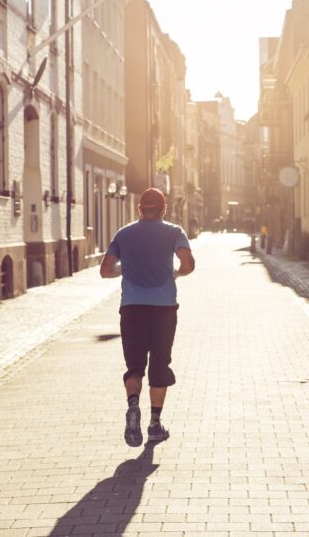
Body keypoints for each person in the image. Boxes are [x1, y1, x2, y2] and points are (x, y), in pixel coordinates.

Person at [100, 187, 195, 447]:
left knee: (135, 366)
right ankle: (154, 424)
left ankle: (133, 406)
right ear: (165, 209)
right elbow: (189, 265)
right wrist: (174, 273)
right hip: (164, 308)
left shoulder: (124, 234)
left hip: (131, 308)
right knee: (159, 364)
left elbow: (105, 271)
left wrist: (125, 268)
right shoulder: (174, 232)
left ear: (139, 209)